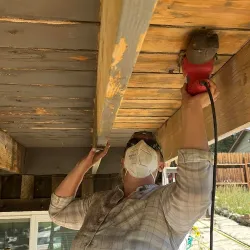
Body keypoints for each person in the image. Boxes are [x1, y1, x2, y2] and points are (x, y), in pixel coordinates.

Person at [49, 81, 219, 250]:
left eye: (152, 145)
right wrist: (82, 166)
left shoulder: (166, 204)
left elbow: (194, 196)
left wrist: (192, 108)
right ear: (123, 160)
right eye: (133, 143)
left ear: (161, 165)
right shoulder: (100, 202)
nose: (140, 147)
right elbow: (58, 212)